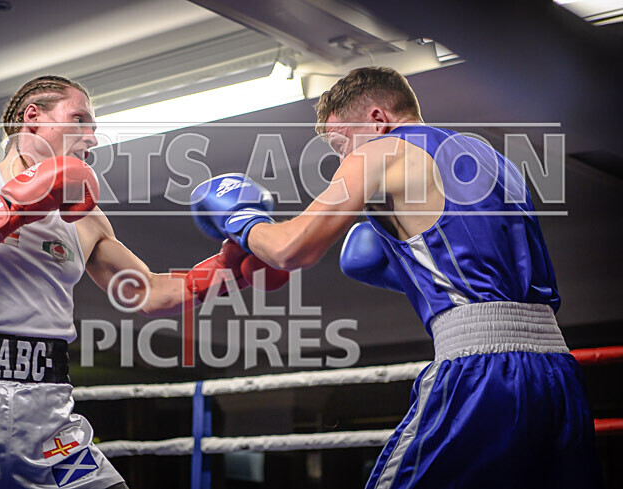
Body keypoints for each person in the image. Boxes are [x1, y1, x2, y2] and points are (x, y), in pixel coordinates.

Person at [190, 67, 602, 488]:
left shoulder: (380, 152)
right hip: (557, 373)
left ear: (376, 119)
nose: (342, 161)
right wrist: (405, 268)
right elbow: (478, 268)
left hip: (480, 371)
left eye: (340, 144)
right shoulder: (492, 158)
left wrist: (241, 218)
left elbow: (291, 248)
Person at [0, 75, 286, 489]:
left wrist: (229, 269)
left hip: (49, 420)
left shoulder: (86, 219)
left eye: (93, 128)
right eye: (79, 120)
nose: (91, 138)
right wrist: (16, 204)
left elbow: (147, 292)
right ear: (33, 117)